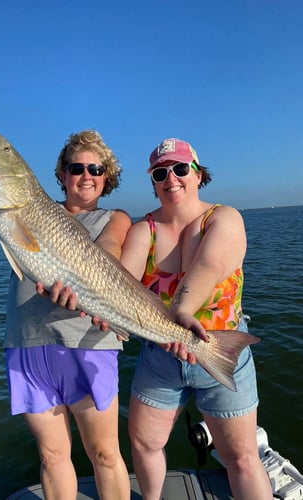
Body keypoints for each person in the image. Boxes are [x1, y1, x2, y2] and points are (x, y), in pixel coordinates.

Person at [0, 69, 132, 500]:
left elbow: (111, 253)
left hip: (89, 344)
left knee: (106, 455)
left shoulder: (113, 218)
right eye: (76, 167)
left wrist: (90, 288)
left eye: (96, 168)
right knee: (53, 456)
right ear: (60, 174)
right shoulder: (27, 203)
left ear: (107, 176)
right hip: (27, 343)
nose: (86, 175)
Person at [119, 138, 273, 500]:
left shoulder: (224, 217)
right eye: (160, 173)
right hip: (160, 358)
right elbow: (122, 280)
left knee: (242, 457)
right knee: (144, 444)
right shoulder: (144, 231)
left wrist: (182, 312)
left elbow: (210, 264)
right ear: (153, 182)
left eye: (180, 168)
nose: (171, 178)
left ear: (198, 173)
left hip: (221, 350)